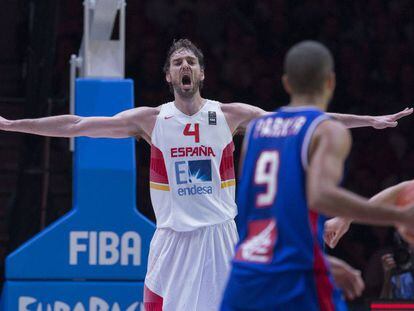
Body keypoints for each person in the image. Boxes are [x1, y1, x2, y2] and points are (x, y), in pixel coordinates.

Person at [0, 39, 411, 311]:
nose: (184, 66)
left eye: (191, 62)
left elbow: (305, 122)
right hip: (171, 239)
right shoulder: (150, 120)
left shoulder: (230, 115)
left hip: (218, 234)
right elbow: (76, 125)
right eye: (177, 62)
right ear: (168, 76)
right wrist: (13, 125)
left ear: (200, 75)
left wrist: (369, 121)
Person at [220, 40, 414, 311]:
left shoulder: (255, 132)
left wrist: (327, 260)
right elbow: (321, 195)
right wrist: (398, 216)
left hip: (245, 274)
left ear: (287, 83)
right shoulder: (327, 131)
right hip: (297, 277)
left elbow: (259, 213)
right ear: (330, 81)